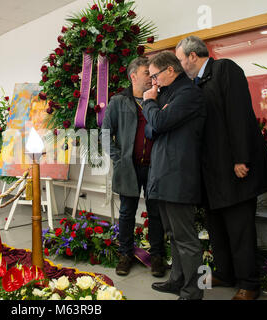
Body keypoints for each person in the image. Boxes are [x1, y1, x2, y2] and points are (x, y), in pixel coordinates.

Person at [175, 36, 267, 300]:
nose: (180, 64)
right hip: (211, 173)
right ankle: (225, 273)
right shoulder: (194, 84)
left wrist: (241, 158)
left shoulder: (225, 69)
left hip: (234, 170)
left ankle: (249, 284)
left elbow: (239, 115)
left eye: (181, 58)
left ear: (193, 56)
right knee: (217, 227)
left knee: (239, 229)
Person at [142, 51, 206, 300]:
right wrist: (157, 114)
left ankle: (195, 290)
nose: (153, 82)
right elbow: (150, 130)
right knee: (173, 235)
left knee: (187, 239)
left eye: (155, 75)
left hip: (179, 176)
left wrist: (150, 103)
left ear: (170, 70)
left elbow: (157, 123)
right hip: (163, 175)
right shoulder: (167, 94)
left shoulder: (188, 93)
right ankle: (178, 280)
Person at [102, 56, 166, 278]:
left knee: (156, 212)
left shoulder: (159, 98)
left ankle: (157, 256)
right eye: (147, 73)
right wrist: (119, 159)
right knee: (127, 212)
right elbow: (104, 134)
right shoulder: (118, 101)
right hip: (128, 167)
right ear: (133, 76)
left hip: (155, 167)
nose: (151, 77)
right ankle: (125, 255)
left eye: (152, 73)